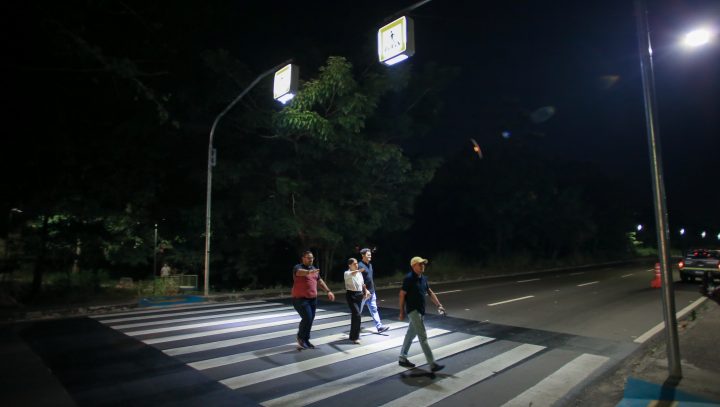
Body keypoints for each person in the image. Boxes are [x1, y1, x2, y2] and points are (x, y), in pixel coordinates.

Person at [397, 256, 445, 372]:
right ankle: (432, 363)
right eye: (420, 264)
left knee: (410, 334)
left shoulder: (423, 278)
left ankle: (402, 358)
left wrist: (439, 305)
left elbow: (429, 292)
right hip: (413, 311)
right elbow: (402, 294)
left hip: (420, 311)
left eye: (423, 264)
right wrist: (402, 311)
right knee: (423, 337)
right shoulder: (409, 279)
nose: (423, 265)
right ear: (413, 266)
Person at [291, 250, 335, 349]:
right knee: (307, 318)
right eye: (308, 258)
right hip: (300, 299)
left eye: (312, 258)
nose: (311, 260)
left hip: (312, 299)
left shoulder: (314, 269)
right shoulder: (298, 267)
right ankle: (300, 337)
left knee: (310, 320)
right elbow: (299, 273)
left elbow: (320, 281)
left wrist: (328, 291)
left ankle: (306, 339)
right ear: (303, 258)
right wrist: (309, 272)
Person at [358, 248, 389, 333]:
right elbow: (359, 280)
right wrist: (365, 290)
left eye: (370, 255)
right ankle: (356, 326)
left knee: (374, 309)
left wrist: (372, 289)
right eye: (368, 255)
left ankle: (379, 327)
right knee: (358, 311)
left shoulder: (370, 265)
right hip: (363, 293)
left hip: (371, 292)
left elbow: (370, 278)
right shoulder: (360, 265)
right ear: (363, 255)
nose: (370, 256)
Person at [344, 258, 370, 344]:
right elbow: (352, 273)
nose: (356, 265)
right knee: (357, 315)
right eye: (354, 264)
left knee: (355, 316)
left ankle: (353, 335)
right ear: (349, 265)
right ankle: (356, 337)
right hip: (351, 295)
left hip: (359, 295)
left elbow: (362, 284)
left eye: (356, 263)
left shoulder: (359, 274)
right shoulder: (347, 273)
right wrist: (359, 270)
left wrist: (365, 291)